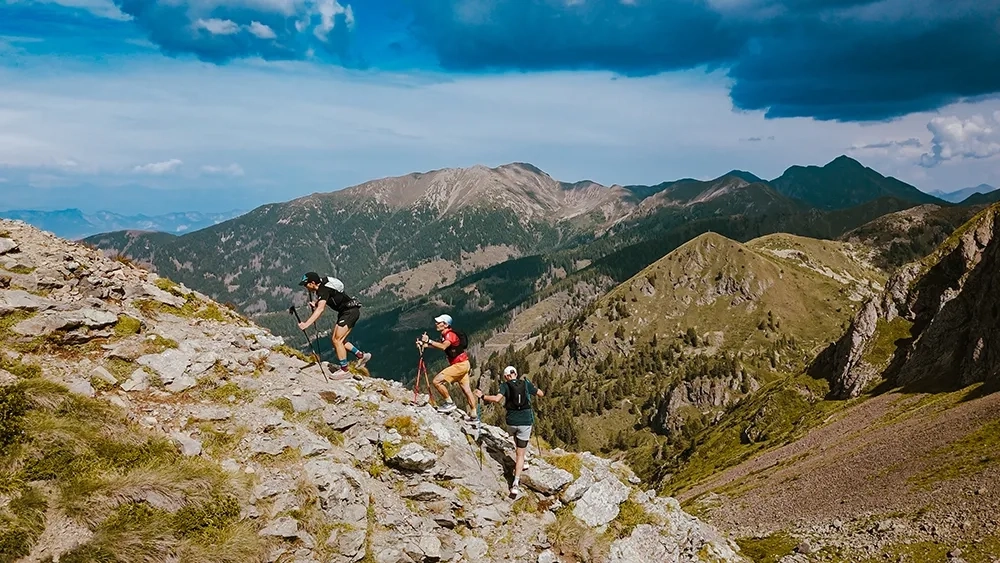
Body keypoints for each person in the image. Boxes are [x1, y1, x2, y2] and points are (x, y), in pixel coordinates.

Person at [476, 365, 544, 497]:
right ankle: (515, 483)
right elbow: (541, 394)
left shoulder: (505, 385)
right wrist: (532, 387)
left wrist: (482, 396)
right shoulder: (525, 384)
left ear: (506, 376)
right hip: (525, 421)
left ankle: (521, 460)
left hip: (511, 422)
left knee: (515, 438)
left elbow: (496, 399)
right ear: (515, 374)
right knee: (520, 454)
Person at [297, 272, 371, 378]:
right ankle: (361, 356)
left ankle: (344, 370)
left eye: (306, 284)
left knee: (337, 340)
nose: (305, 287)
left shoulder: (322, 290)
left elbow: (320, 309)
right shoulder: (323, 284)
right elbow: (329, 295)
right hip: (348, 312)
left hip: (349, 313)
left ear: (312, 283)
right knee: (337, 340)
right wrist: (316, 303)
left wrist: (306, 324)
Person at [417, 314, 477, 419]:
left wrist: (429, 341)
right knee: (467, 390)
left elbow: (443, 346)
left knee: (436, 381)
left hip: (459, 365)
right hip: (464, 364)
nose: (436, 324)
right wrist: (424, 344)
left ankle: (449, 403)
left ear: (445, 324)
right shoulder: (446, 335)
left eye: (439, 322)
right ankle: (474, 415)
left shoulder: (449, 335)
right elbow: (443, 346)